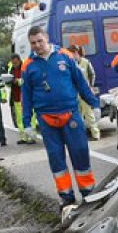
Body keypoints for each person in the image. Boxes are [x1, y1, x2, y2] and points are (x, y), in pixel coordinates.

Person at [22, 26, 100, 208]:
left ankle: (88, 191)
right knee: (56, 158)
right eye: (33, 43)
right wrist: (27, 123)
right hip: (46, 119)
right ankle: (66, 197)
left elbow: (81, 83)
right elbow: (26, 96)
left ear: (47, 38)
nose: (37, 45)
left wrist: (94, 103)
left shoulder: (65, 56)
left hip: (71, 115)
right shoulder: (28, 66)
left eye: (40, 41)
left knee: (80, 152)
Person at [68, 45, 101, 141]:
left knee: (89, 114)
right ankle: (81, 135)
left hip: (85, 92)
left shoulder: (85, 62)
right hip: (75, 92)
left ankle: (95, 134)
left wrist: (90, 85)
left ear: (76, 53)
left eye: (71, 53)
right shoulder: (70, 63)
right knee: (77, 115)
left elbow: (92, 74)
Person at [6, 54, 37, 144]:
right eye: (13, 63)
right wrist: (8, 82)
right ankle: (23, 137)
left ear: (19, 60)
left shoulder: (26, 67)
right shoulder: (11, 69)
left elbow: (28, 81)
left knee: (31, 118)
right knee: (19, 119)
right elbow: (8, 84)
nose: (14, 64)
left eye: (16, 62)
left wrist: (18, 81)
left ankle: (31, 137)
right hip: (16, 97)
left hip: (26, 97)